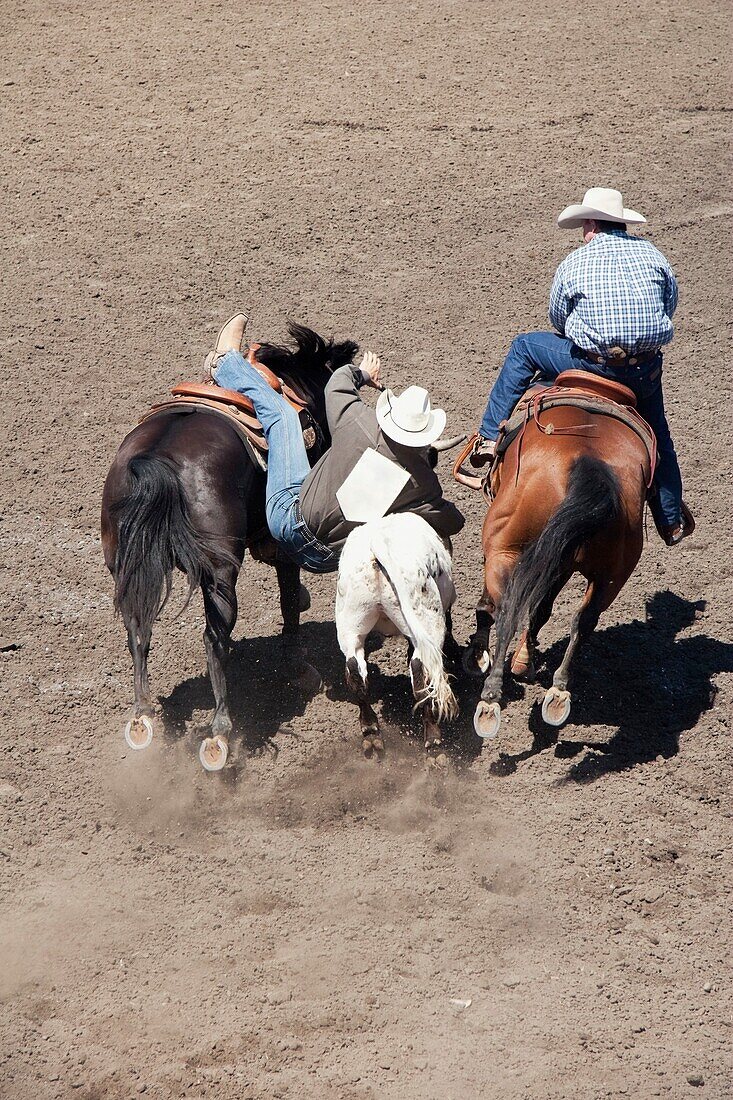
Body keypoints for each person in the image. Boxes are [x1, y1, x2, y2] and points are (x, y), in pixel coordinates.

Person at [459, 187, 693, 546]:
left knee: (524, 347)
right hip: (643, 372)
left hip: (593, 365)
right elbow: (669, 303)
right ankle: (670, 517)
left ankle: (489, 438)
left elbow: (557, 316)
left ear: (591, 225)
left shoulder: (575, 262)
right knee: (659, 434)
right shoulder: (654, 255)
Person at [206, 314, 465, 573]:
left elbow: (338, 383)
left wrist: (364, 374)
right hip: (332, 558)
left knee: (282, 417)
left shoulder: (359, 421)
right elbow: (454, 521)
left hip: (290, 522)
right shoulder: (426, 487)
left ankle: (224, 362)